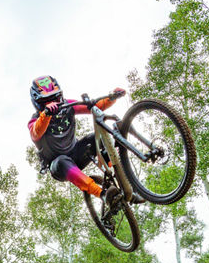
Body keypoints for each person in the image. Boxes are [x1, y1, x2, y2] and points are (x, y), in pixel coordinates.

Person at [27, 75, 141, 205]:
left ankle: (122, 179)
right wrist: (46, 114)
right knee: (61, 161)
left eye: (55, 98)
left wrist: (112, 97)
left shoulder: (67, 105)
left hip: (77, 153)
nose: (53, 103)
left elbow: (94, 107)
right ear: (38, 103)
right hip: (59, 166)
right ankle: (103, 195)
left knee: (95, 137)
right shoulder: (35, 120)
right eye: (47, 101)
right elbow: (36, 133)